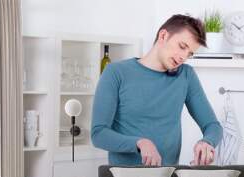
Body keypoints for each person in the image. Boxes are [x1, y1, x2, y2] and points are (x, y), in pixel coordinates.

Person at [91, 14, 223, 166]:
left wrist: (207, 142)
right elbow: (98, 134)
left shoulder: (186, 76)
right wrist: (140, 143)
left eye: (189, 53)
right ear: (163, 35)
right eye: (182, 47)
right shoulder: (116, 72)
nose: (183, 57)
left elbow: (212, 125)